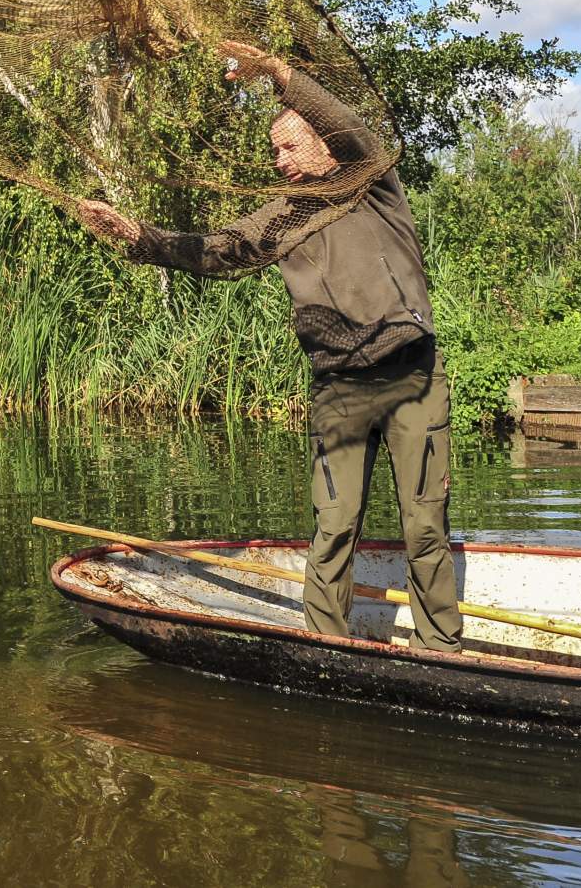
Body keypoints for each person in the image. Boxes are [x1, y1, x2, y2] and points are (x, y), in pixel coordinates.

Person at [75, 40, 462, 653]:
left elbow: (350, 122)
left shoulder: (374, 184)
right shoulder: (279, 217)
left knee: (425, 528)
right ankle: (327, 651)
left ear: (322, 143)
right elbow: (216, 250)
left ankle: (441, 650)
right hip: (339, 388)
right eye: (272, 150)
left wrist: (279, 75)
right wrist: (139, 238)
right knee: (334, 527)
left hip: (413, 378)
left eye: (288, 145)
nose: (277, 160)